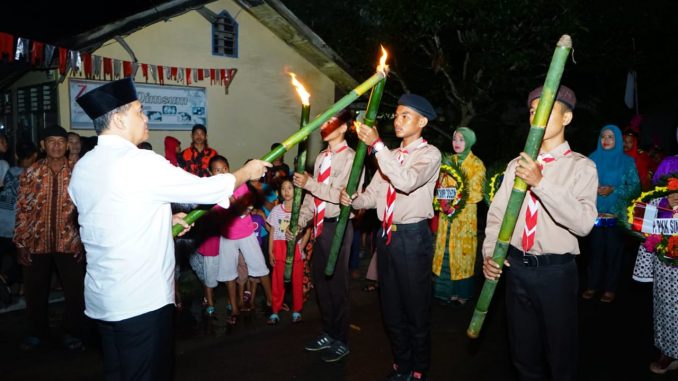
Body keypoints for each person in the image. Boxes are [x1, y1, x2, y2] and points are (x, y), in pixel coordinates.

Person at [68, 77, 269, 381]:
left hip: (103, 300)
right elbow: (205, 190)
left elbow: (109, 217)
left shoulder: (84, 166)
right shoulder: (140, 162)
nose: (146, 117)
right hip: (140, 302)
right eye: (139, 111)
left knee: (117, 372)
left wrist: (163, 219)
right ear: (120, 120)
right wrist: (246, 172)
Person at [482, 85, 598, 381]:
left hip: (556, 274)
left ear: (567, 118)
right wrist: (490, 255)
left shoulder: (581, 167)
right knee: (523, 355)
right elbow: (496, 216)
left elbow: (584, 223)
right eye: (533, 111)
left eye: (546, 111)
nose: (537, 117)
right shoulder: (514, 167)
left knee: (561, 356)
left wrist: (540, 183)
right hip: (517, 270)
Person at [341, 94, 441, 381]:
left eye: (405, 116)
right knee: (392, 309)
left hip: (412, 238)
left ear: (422, 122)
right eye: (396, 115)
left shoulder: (429, 155)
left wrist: (377, 146)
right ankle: (402, 365)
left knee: (415, 308)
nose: (398, 120)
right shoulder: (391, 155)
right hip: (386, 238)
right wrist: (354, 200)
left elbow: (406, 182)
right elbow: (374, 194)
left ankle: (419, 368)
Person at [293, 108, 358, 363]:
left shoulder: (352, 158)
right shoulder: (321, 157)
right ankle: (329, 332)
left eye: (332, 121)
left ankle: (341, 339)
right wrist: (299, 221)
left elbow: (341, 196)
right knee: (322, 284)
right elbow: (313, 197)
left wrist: (309, 183)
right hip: (319, 226)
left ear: (343, 128)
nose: (325, 123)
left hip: (338, 226)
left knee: (337, 287)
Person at [13, 125, 86, 351]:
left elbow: (88, 209)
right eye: (51, 141)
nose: (56, 145)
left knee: (76, 292)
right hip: (36, 241)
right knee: (35, 292)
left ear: (67, 145)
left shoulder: (79, 173)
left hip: (70, 241)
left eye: (60, 141)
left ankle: (71, 332)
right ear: (43, 145)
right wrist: (20, 242)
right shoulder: (31, 172)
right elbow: (22, 208)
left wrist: (85, 241)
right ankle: (37, 332)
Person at [582, 125, 640, 303]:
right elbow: (582, 183)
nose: (605, 140)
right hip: (595, 213)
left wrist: (614, 190)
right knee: (595, 251)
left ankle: (610, 288)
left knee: (614, 252)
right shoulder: (591, 159)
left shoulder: (627, 162)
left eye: (610, 137)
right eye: (603, 136)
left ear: (617, 140)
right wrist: (594, 189)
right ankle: (592, 285)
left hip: (616, 214)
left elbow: (636, 187)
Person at [632, 156, 678, 375]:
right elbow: (641, 221)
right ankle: (669, 352)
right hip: (667, 266)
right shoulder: (669, 165)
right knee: (667, 306)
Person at [432, 127, 486, 306]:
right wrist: (443, 200)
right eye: (455, 139)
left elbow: (477, 193)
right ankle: (445, 293)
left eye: (462, 140)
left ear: (469, 142)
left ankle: (461, 293)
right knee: (445, 253)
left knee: (462, 257)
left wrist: (456, 196)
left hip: (464, 220)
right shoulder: (448, 161)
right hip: (447, 217)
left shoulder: (476, 164)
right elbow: (441, 187)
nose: (457, 143)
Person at [266, 177, 308, 325]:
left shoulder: (302, 210)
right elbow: (272, 231)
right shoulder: (277, 210)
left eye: (290, 188)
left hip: (295, 249)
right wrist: (270, 251)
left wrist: (301, 247)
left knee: (297, 282)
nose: (286, 191)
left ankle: (297, 310)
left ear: (297, 190)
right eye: (283, 188)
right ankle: (275, 311)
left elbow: (307, 231)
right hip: (279, 248)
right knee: (277, 282)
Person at [0, 143, 37, 306]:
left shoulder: (7, 172)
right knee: (21, 259)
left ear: (16, 155)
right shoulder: (32, 176)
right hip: (18, 224)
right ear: (35, 156)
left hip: (2, 221)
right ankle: (14, 284)